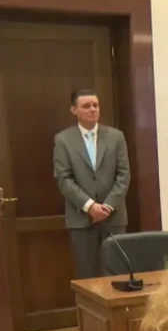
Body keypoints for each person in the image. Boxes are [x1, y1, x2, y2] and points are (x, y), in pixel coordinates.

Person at [54, 88, 131, 279]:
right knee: (86, 275)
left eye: (95, 105)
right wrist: (90, 207)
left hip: (113, 217)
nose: (92, 109)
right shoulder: (63, 140)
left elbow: (124, 175)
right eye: (86, 106)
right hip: (81, 219)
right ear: (74, 110)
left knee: (117, 274)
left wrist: (107, 207)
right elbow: (63, 178)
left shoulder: (116, 137)